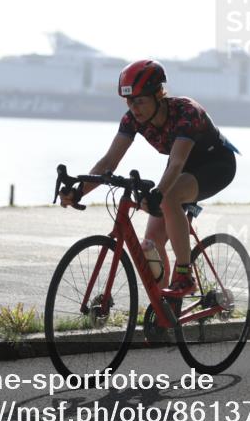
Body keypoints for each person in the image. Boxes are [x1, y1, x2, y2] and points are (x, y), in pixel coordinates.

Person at [59, 59, 237, 297]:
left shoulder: (186, 112)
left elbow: (177, 162)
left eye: (140, 101)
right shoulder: (132, 119)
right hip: (181, 167)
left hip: (215, 164)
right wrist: (79, 191)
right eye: (129, 101)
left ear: (159, 94)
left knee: (169, 198)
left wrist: (159, 194)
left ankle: (184, 275)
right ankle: (164, 307)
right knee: (150, 243)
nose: (134, 108)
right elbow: (108, 162)